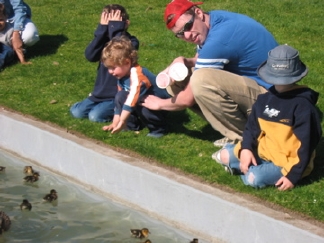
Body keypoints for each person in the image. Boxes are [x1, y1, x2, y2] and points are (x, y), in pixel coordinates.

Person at [140, 0, 278, 147]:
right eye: (180, 34)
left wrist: (160, 104)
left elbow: (187, 99)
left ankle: (248, 140)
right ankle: (234, 132)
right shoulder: (213, 21)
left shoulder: (220, 38)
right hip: (262, 88)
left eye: (187, 26)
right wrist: (183, 61)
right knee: (183, 79)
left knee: (201, 81)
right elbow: (201, 58)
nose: (187, 35)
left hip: (274, 101)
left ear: (198, 12)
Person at [212, 45, 322, 191]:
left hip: (287, 162)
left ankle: (250, 170)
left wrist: (293, 176)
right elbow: (251, 128)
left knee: (253, 178)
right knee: (224, 156)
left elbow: (307, 146)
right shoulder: (264, 99)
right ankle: (249, 164)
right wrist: (246, 149)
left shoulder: (303, 107)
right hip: (264, 150)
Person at [70, 4, 139, 123]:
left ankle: (126, 112)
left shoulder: (131, 43)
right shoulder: (104, 43)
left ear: (125, 24)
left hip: (116, 96)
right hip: (99, 94)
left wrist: (116, 29)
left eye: (114, 24)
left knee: (95, 116)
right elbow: (90, 55)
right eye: (109, 25)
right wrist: (101, 31)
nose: (111, 28)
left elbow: (119, 49)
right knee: (77, 112)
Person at [101, 36, 171, 138]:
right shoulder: (121, 75)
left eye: (113, 68)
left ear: (127, 62)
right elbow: (119, 99)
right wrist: (115, 121)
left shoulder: (138, 76)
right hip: (139, 99)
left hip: (158, 104)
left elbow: (132, 100)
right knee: (120, 96)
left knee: (144, 105)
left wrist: (122, 120)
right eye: (109, 68)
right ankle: (131, 126)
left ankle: (158, 128)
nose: (110, 72)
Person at [0, 0, 39, 67]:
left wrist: (23, 61)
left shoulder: (9, 31)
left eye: (0, 20)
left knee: (7, 52)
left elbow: (17, 48)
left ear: (5, 18)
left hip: (9, 49)